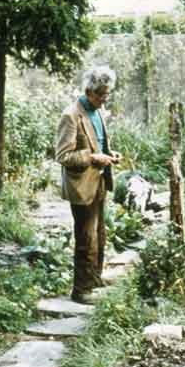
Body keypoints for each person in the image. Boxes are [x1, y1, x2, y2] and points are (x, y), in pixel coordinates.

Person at [55, 66, 121, 304]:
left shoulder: (97, 111)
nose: (105, 99)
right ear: (88, 91)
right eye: (101, 94)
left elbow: (97, 142)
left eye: (107, 94)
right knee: (86, 237)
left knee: (99, 234)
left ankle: (94, 279)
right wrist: (93, 158)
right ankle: (81, 290)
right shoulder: (70, 115)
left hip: (100, 180)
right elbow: (63, 156)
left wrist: (109, 153)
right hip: (82, 186)